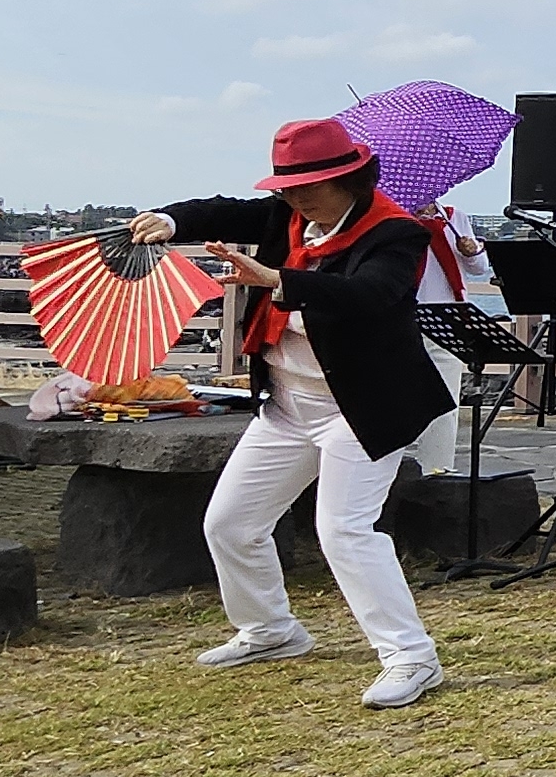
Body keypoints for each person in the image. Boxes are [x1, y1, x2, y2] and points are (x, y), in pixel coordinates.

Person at [124, 121, 457, 710]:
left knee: (345, 532)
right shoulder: (285, 218)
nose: (295, 198)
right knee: (229, 524)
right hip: (286, 403)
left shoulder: (396, 232)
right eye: (286, 187)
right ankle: (270, 630)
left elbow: (371, 296)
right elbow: (219, 210)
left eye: (309, 186)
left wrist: (277, 279)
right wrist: (169, 221)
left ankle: (412, 657)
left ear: (350, 178)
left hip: (361, 408)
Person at [403, 198, 487, 474]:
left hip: (448, 317)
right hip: (402, 316)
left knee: (446, 400)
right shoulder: (393, 218)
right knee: (398, 396)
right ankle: (391, 468)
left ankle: (436, 468)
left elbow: (479, 268)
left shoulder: (454, 218)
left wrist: (471, 251)